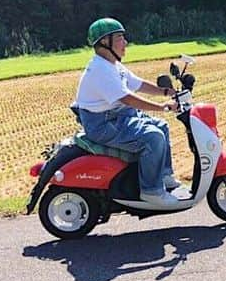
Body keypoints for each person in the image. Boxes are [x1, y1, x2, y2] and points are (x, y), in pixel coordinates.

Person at [73, 17, 186, 208]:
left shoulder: (113, 65)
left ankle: (164, 176)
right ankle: (152, 192)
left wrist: (167, 92)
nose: (125, 43)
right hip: (103, 125)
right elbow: (127, 98)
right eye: (119, 38)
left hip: (117, 117)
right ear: (104, 42)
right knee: (153, 137)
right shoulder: (100, 70)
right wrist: (162, 107)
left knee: (162, 126)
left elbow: (138, 84)